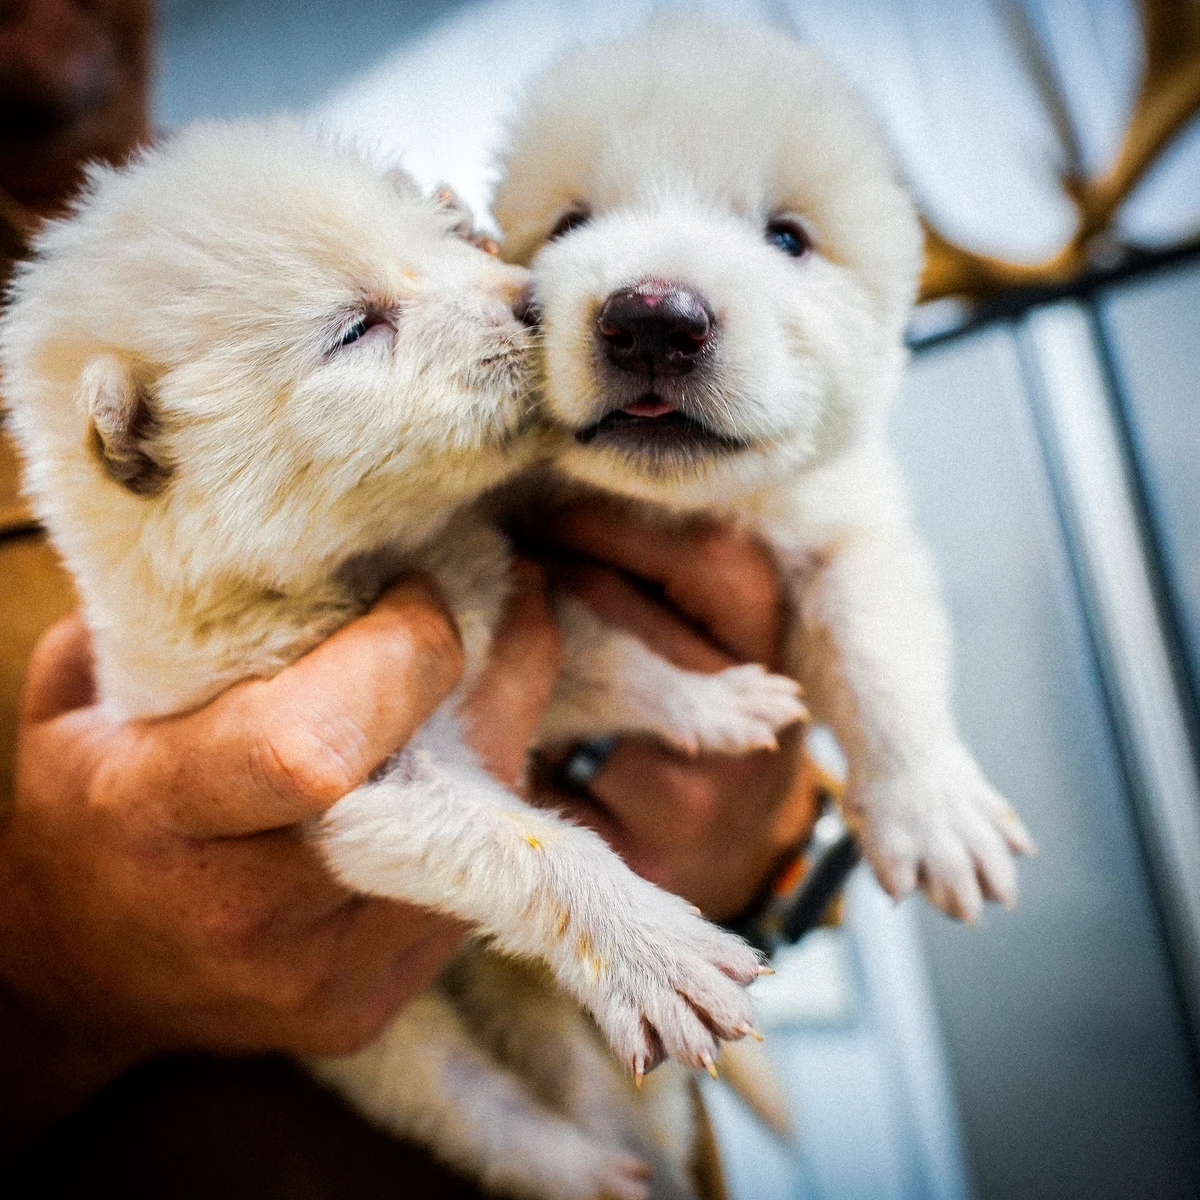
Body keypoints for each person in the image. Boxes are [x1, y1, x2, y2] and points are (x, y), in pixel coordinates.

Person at [0, 3, 821, 1193]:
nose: (514, 292)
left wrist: (768, 844)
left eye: (442, 245)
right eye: (356, 331)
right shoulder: (140, 373)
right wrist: (48, 986)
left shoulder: (292, 187)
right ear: (142, 444)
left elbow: (774, 782)